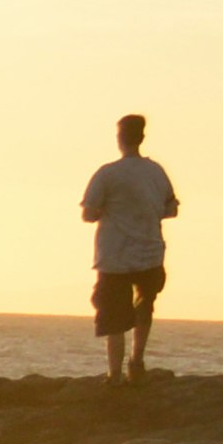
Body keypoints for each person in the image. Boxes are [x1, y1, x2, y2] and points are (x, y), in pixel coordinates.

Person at [80, 114, 180, 379]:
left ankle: (114, 374)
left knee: (113, 317)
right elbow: (171, 209)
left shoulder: (108, 174)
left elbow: (88, 213)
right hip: (149, 252)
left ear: (119, 138)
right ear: (142, 137)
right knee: (144, 308)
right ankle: (136, 362)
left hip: (114, 256)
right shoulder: (156, 172)